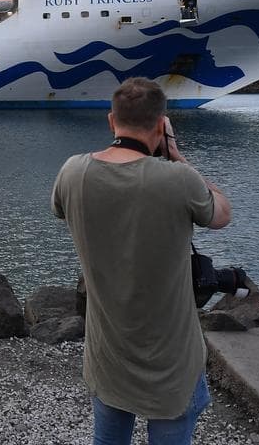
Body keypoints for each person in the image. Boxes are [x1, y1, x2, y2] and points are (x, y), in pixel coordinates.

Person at [52, 77, 232, 445]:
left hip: (108, 350)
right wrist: (177, 155)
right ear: (162, 124)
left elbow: (59, 207)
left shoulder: (73, 171)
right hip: (173, 356)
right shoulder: (179, 179)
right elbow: (221, 215)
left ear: (110, 121)